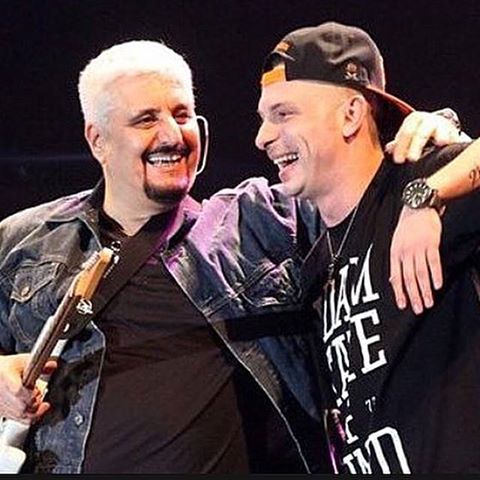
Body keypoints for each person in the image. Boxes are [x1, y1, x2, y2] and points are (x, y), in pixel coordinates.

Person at [0, 39, 460, 474]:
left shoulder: (257, 224)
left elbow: (353, 170)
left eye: (182, 114)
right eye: (146, 120)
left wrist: (431, 132)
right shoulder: (24, 241)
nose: (172, 135)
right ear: (97, 140)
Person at [255, 21, 480, 473]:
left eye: (283, 113)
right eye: (263, 118)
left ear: (351, 114)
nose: (262, 137)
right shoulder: (315, 266)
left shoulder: (419, 181)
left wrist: (428, 197)